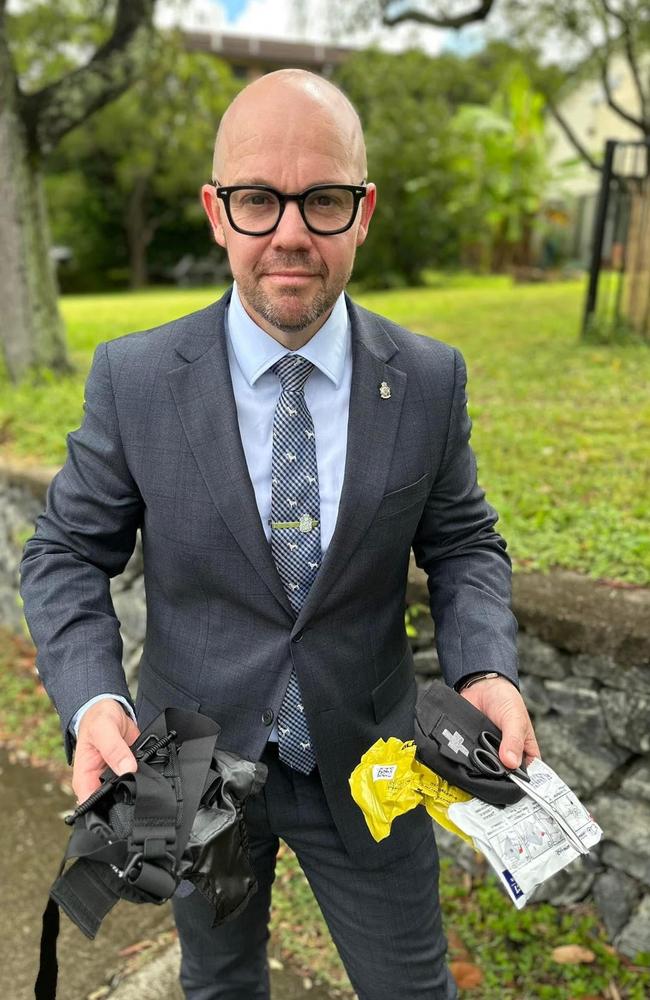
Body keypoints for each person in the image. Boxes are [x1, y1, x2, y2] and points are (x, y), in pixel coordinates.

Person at [20, 69, 539, 1000]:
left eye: (324, 200)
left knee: (413, 989)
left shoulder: (427, 380)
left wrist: (487, 670)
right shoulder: (135, 380)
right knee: (218, 984)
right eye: (259, 199)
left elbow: (462, 543)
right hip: (186, 758)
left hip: (370, 757)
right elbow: (62, 553)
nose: (291, 232)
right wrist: (94, 700)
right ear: (217, 212)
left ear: (363, 210)